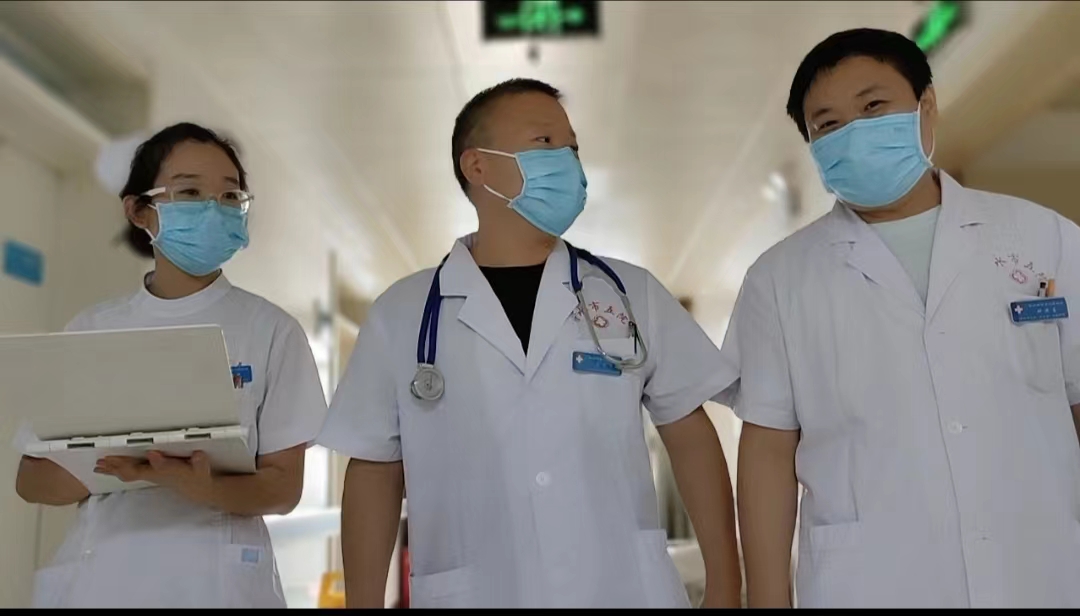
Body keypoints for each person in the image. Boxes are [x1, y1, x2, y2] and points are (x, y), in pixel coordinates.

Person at [318, 78, 741, 609]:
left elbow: (690, 434)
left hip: (622, 590)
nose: (567, 161)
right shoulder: (401, 315)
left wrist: (726, 585)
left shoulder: (629, 293)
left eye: (573, 148)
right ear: (478, 166)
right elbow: (374, 470)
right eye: (545, 142)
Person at [718, 28, 1080, 608]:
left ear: (925, 106)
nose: (854, 132)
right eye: (828, 124)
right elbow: (767, 450)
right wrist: (765, 597)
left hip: (1040, 570)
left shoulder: (1044, 238)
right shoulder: (780, 278)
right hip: (872, 583)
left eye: (873, 107)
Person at [14, 123, 328, 608]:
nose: (214, 208)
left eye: (230, 195)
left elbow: (284, 488)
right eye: (190, 192)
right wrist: (129, 467)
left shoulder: (271, 330)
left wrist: (197, 484)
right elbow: (31, 480)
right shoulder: (94, 328)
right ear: (140, 211)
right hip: (104, 580)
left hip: (216, 585)